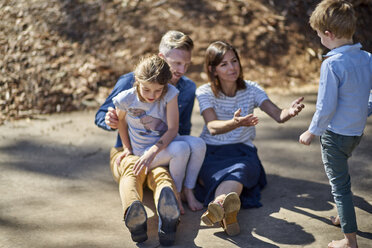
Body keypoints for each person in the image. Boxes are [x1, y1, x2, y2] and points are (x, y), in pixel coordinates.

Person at [94, 31, 205, 246]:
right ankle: (134, 212)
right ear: (161, 59)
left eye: (186, 64)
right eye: (176, 63)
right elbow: (104, 115)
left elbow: (181, 130)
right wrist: (110, 121)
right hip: (128, 149)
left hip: (162, 149)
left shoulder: (186, 88)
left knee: (163, 175)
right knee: (132, 168)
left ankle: (169, 215)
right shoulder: (130, 81)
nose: (181, 70)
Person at [195, 41, 305, 236]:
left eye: (234, 61)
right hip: (211, 152)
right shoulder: (204, 92)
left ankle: (218, 206)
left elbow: (278, 115)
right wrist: (235, 122)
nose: (232, 68)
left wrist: (291, 111)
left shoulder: (252, 89)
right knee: (218, 175)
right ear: (213, 70)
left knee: (240, 171)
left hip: (242, 151)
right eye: (224, 64)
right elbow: (212, 127)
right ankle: (227, 213)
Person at [299, 1, 372, 247]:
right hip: (355, 134)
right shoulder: (367, 58)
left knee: (339, 186)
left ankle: (349, 241)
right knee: (342, 176)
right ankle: (344, 215)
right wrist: (366, 108)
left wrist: (312, 131)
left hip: (335, 135)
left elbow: (326, 106)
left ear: (328, 35)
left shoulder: (332, 64)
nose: (320, 39)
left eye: (319, 35)